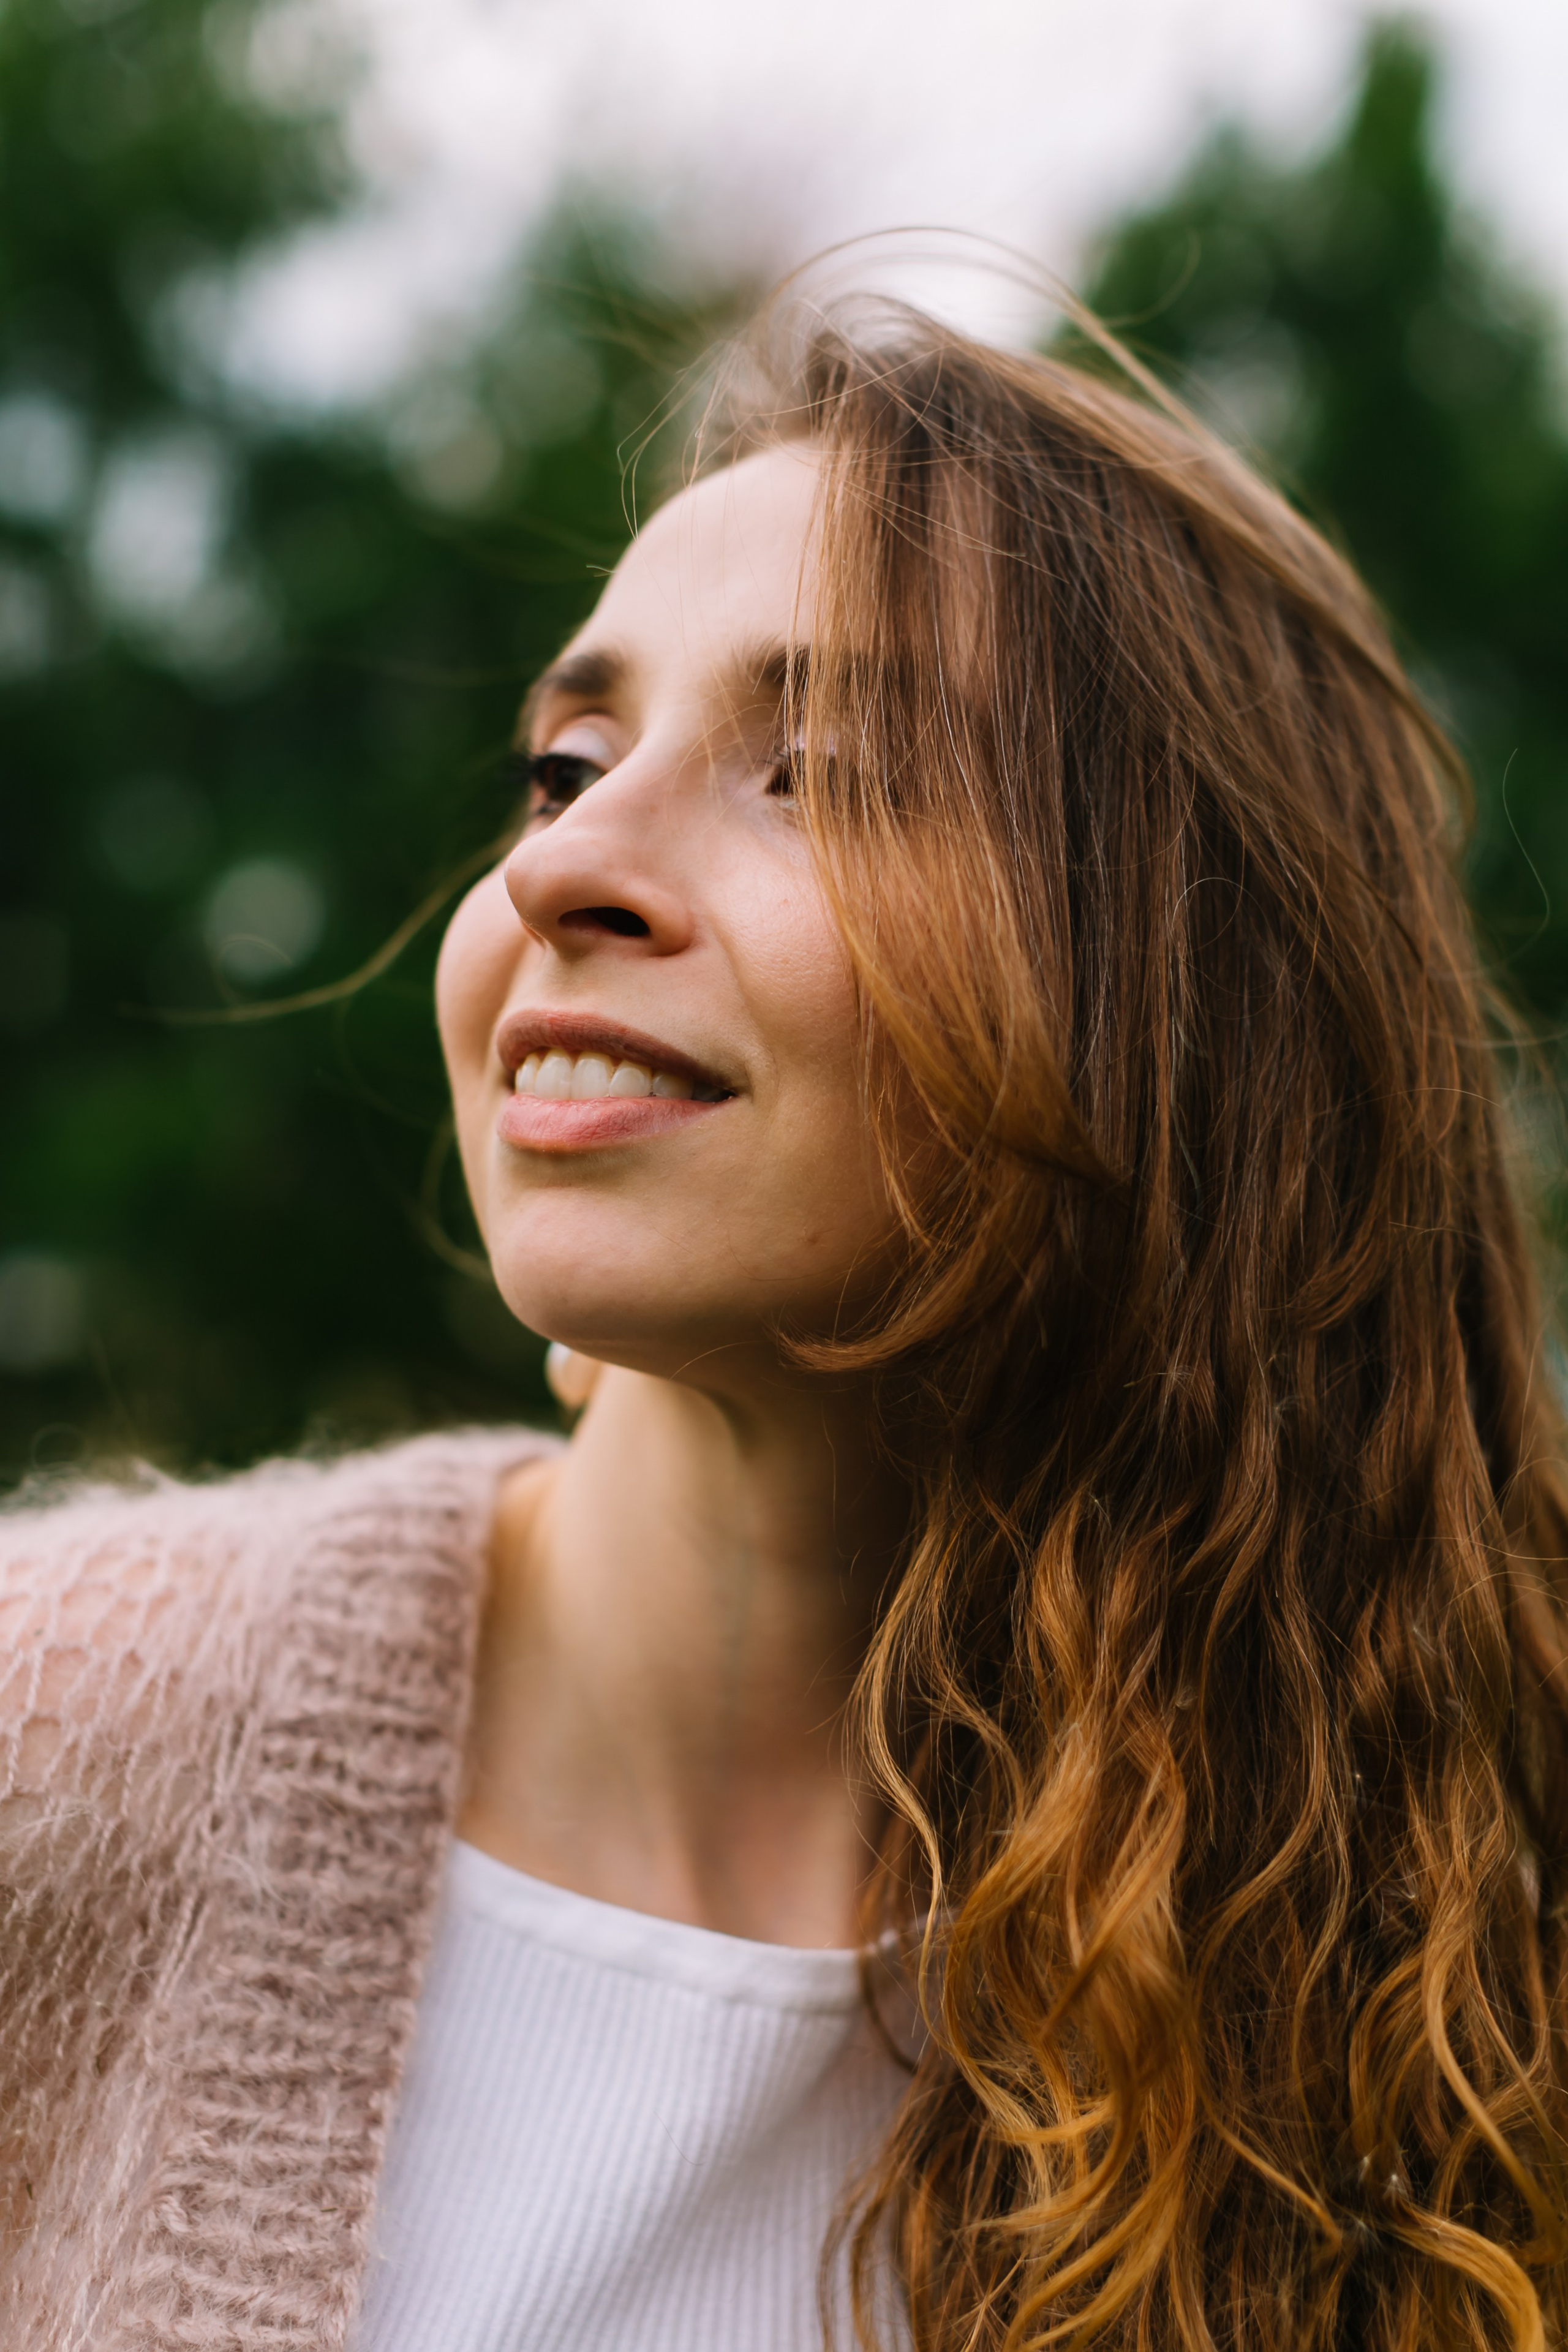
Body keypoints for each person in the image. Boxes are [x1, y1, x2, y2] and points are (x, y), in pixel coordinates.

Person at [2, 292, 1566, 2352]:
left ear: (1190, 1028)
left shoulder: (1459, 1962)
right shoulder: (63, 1755)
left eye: (818, 773)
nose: (576, 866)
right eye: (567, 762)